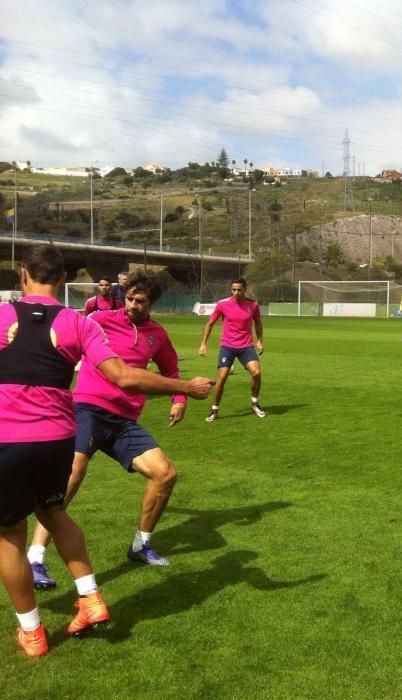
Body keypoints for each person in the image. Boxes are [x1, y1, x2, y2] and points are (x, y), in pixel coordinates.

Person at [0, 245, 211, 657]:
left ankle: (33, 633)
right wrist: (186, 389)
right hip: (59, 434)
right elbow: (124, 377)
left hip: (9, 436)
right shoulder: (82, 323)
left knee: (8, 533)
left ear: (23, 275)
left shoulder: (2, 316)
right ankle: (90, 595)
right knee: (55, 509)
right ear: (63, 280)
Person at [28, 271, 193, 589]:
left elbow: (171, 368)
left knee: (165, 474)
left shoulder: (156, 334)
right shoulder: (99, 320)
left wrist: (179, 397)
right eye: (129, 298)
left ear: (152, 303)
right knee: (73, 472)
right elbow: (63, 342)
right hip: (88, 408)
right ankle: (36, 557)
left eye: (140, 301)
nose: (132, 305)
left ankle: (140, 545)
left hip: (124, 421)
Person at [199, 278, 265, 422]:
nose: (236, 292)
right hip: (227, 346)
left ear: (245, 289)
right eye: (234, 289)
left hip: (246, 346)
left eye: (239, 290)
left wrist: (260, 340)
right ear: (231, 290)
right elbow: (210, 324)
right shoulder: (222, 305)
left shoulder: (252, 305)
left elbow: (258, 323)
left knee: (257, 372)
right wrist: (203, 343)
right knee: (222, 377)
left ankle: (254, 403)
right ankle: (214, 410)